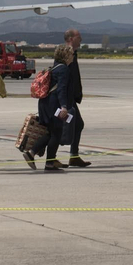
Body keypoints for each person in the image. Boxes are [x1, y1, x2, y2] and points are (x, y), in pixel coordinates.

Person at [38, 43, 78, 172]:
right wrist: (64, 107)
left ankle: (33, 153)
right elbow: (61, 90)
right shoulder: (64, 69)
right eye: (71, 54)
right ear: (66, 55)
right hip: (54, 105)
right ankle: (48, 163)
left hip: (46, 104)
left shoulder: (55, 67)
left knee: (51, 132)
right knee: (56, 132)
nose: (73, 56)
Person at [61, 28, 90, 167]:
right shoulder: (66, 54)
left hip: (70, 97)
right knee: (61, 127)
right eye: (79, 37)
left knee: (77, 125)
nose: (81, 39)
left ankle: (74, 156)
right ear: (71, 38)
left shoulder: (73, 53)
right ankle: (35, 150)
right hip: (66, 98)